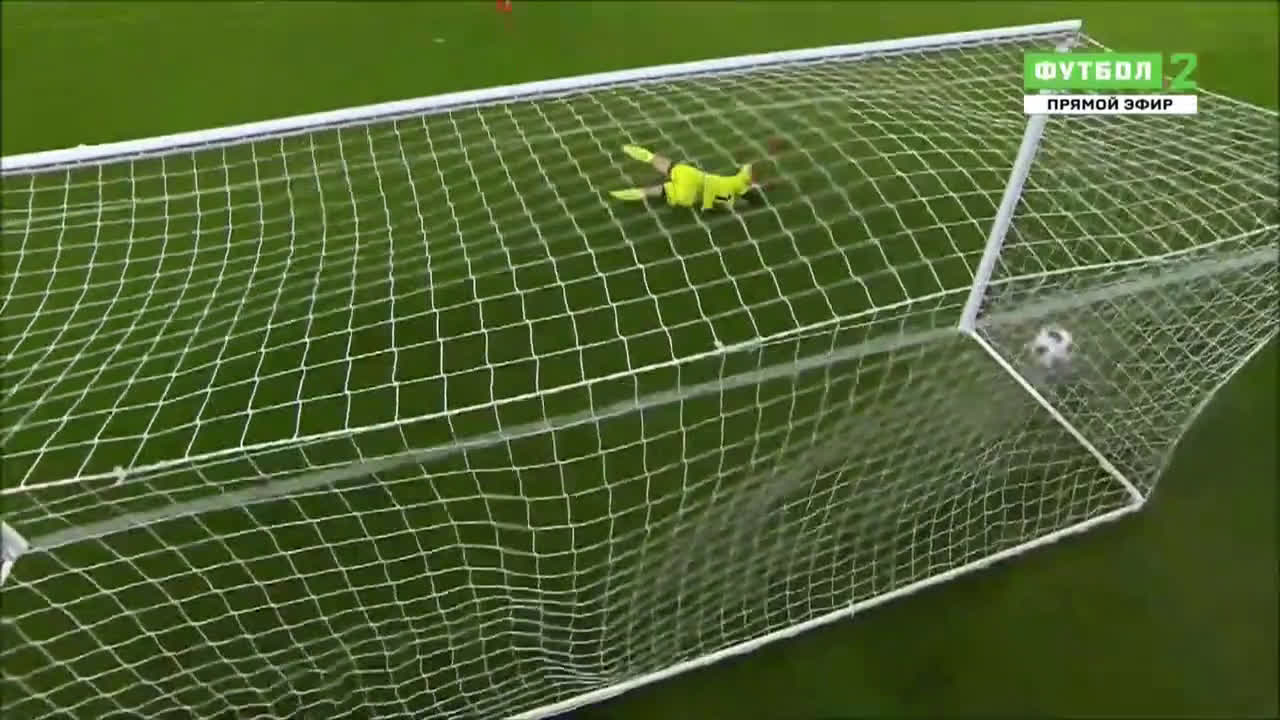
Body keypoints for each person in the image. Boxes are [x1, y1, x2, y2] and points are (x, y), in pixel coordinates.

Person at [608, 138, 783, 211]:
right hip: (688, 196)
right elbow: (731, 202)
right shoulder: (733, 196)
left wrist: (772, 150)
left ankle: (627, 148)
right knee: (647, 192)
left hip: (693, 177)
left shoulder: (741, 177)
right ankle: (616, 194)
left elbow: (755, 166)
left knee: (656, 160)